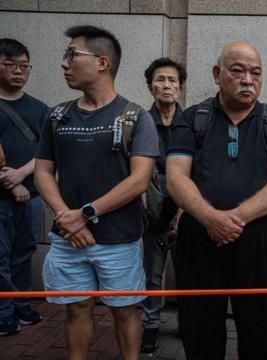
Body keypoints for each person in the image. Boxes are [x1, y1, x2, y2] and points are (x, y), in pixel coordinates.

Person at [165, 40, 267, 359]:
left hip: (258, 243)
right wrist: (211, 219)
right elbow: (176, 177)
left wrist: (234, 218)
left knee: (260, 330)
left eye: (256, 72)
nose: (248, 80)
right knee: (199, 330)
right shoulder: (193, 119)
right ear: (217, 73)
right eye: (238, 71)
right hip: (199, 238)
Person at [34, 25, 159, 360]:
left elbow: (139, 181)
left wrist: (85, 214)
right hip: (68, 237)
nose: (64, 63)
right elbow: (43, 170)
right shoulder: (57, 115)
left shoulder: (135, 117)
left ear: (102, 62)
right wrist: (66, 218)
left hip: (119, 238)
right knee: (77, 309)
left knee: (126, 310)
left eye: (72, 54)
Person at [0, 38, 48, 336]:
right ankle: (3, 312)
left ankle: (20, 303)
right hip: (1, 197)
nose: (19, 71)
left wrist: (20, 176)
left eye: (24, 65)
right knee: (0, 255)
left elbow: (47, 153)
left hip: (30, 194)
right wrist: (8, 180)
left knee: (24, 251)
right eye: (10, 65)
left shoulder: (40, 108)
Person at [140, 57, 186, 354]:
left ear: (180, 88)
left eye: (172, 80)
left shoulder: (192, 122)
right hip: (152, 216)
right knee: (152, 277)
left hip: (187, 214)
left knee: (189, 273)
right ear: (150, 86)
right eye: (160, 80)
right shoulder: (141, 123)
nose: (166, 85)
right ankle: (150, 327)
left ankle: (188, 323)